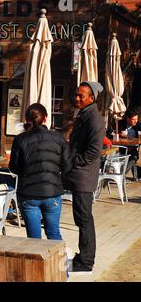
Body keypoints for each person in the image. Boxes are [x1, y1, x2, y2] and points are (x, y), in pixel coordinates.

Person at [9, 103, 71, 241]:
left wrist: (27, 170)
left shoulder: (20, 139)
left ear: (27, 119)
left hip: (28, 192)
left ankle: (36, 262)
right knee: (54, 234)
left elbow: (13, 167)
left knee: (33, 239)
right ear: (45, 118)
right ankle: (57, 262)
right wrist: (53, 169)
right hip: (52, 190)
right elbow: (67, 166)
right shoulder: (58, 138)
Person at [64, 81, 105, 274]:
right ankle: (83, 256)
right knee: (81, 217)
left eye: (82, 95)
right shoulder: (84, 115)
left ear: (91, 98)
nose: (77, 98)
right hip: (79, 174)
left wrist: (74, 161)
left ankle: (86, 261)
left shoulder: (94, 118)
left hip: (84, 176)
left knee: (84, 218)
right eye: (76, 94)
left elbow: (95, 150)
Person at [119, 109, 141, 175]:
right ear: (128, 119)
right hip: (120, 148)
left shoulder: (138, 125)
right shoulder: (120, 123)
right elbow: (111, 133)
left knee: (134, 157)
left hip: (132, 149)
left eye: (136, 119)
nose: (135, 121)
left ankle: (122, 174)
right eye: (133, 119)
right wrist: (119, 133)